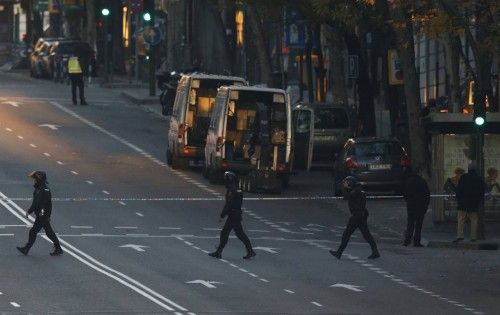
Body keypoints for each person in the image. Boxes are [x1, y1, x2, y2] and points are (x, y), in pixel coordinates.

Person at [330, 176, 380, 259]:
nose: (346, 184)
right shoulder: (359, 189)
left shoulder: (356, 191)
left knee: (347, 233)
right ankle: (375, 251)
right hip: (362, 213)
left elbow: (347, 197)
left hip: (357, 215)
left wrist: (345, 188)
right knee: (366, 233)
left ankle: (339, 252)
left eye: (347, 183)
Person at [209, 171, 256, 259]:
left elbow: (229, 203)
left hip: (233, 214)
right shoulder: (238, 188)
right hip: (236, 214)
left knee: (226, 233)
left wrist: (222, 215)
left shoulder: (232, 190)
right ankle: (250, 251)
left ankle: (219, 252)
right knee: (239, 234)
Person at [16, 171, 63, 256]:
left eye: (35, 179)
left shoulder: (40, 190)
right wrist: (48, 215)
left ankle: (26, 249)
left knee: (33, 232)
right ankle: (58, 248)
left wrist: (29, 211)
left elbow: (36, 203)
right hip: (44, 214)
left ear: (39, 180)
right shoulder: (46, 189)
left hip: (42, 215)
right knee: (48, 232)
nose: (34, 181)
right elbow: (49, 204)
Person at [454, 163, 484, 243]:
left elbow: (459, 190)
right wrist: (478, 200)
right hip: (474, 203)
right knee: (474, 220)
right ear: (475, 169)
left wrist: (458, 199)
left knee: (461, 220)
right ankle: (473, 237)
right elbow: (481, 192)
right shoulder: (479, 178)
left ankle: (460, 235)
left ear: (468, 169)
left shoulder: (463, 177)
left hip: (463, 203)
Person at [403, 167, 430, 247]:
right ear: (419, 173)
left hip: (411, 205)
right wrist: (426, 205)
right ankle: (416, 241)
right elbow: (427, 194)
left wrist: (408, 201)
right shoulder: (422, 182)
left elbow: (405, 194)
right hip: (421, 206)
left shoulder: (408, 181)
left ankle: (407, 240)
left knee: (410, 223)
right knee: (419, 224)